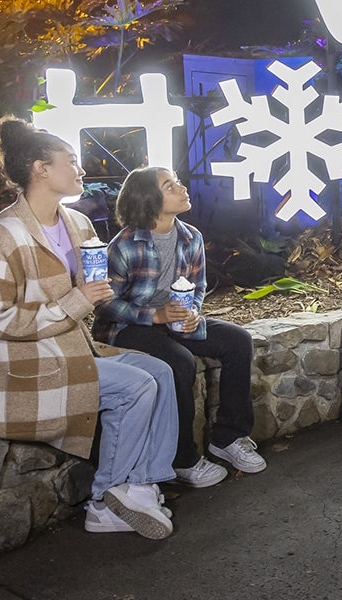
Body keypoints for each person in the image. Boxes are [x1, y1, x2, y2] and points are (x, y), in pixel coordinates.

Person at [0, 117, 177, 539]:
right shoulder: (3, 235)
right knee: (136, 386)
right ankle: (103, 501)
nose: (81, 170)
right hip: (18, 363)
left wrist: (97, 296)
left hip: (69, 347)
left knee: (161, 371)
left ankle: (140, 484)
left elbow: (88, 295)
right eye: (72, 161)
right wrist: (77, 300)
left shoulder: (77, 225)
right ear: (41, 169)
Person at [93, 167, 266, 481]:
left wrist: (192, 313)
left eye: (177, 182)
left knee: (238, 340)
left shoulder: (190, 237)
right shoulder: (124, 245)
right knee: (179, 362)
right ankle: (183, 458)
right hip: (127, 328)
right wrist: (155, 316)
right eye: (169, 185)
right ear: (149, 200)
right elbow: (105, 304)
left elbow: (197, 288)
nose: (181, 188)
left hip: (174, 321)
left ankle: (227, 438)